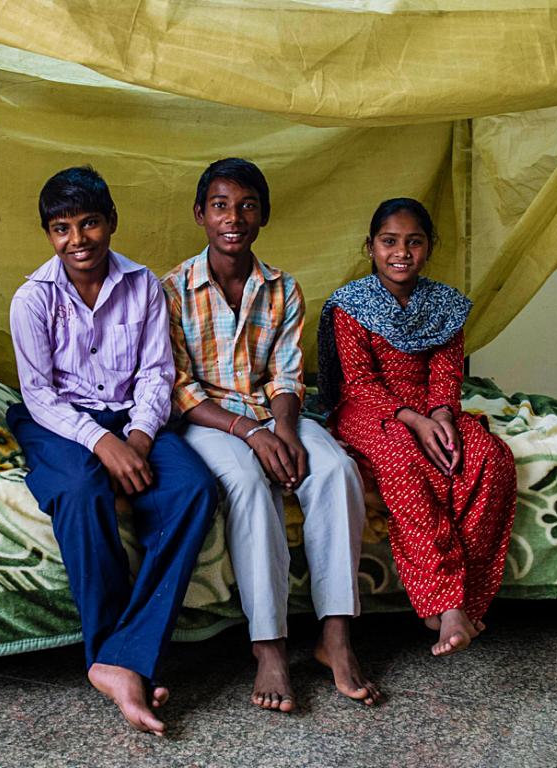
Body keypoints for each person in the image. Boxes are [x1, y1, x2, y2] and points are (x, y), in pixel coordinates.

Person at [162, 157, 382, 712]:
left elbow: (287, 375)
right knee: (246, 484)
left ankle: (335, 637)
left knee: (334, 469)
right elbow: (179, 387)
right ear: (200, 215)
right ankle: (269, 646)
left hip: (272, 412)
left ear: (263, 216)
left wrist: (282, 429)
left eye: (247, 206)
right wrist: (249, 433)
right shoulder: (171, 290)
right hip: (210, 420)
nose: (233, 218)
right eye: (220, 206)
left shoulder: (283, 288)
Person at [6, 166, 217, 735]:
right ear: (49, 234)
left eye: (89, 223)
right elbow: (40, 395)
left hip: (134, 417)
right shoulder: (32, 299)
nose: (78, 240)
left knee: (193, 489)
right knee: (79, 488)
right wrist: (102, 442)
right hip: (59, 422)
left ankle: (122, 656)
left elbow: (156, 373)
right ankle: (116, 658)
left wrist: (140, 438)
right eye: (62, 228)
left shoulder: (143, 284)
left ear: (111, 223)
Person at [318, 197, 517, 657]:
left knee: (489, 457)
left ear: (430, 247)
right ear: (370, 247)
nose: (400, 252)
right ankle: (443, 603)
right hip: (369, 409)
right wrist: (412, 421)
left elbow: (447, 372)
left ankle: (467, 602)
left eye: (413, 242)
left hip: (432, 406)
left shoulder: (445, 305)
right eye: (389, 242)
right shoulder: (351, 305)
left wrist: (443, 416)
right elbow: (359, 383)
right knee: (405, 461)